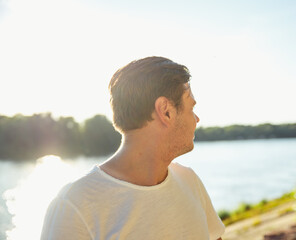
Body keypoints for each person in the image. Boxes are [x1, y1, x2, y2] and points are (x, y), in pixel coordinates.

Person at [40, 56, 225, 240]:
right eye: (191, 108)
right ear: (166, 111)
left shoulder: (190, 181)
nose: (197, 119)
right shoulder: (74, 205)